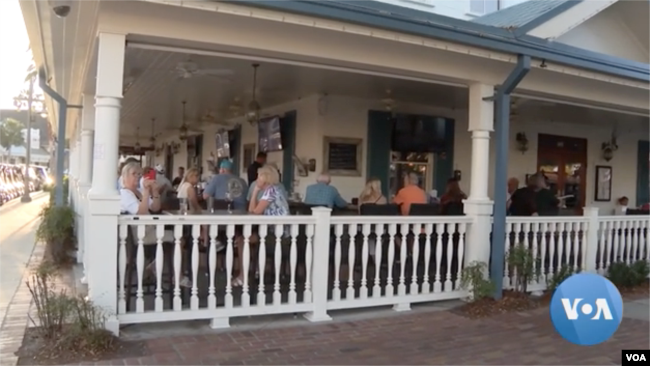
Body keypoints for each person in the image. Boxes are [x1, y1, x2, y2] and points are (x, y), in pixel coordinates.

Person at [233, 165, 289, 286]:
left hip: (278, 236)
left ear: (265, 177)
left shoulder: (272, 190)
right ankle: (252, 270)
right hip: (271, 232)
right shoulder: (269, 190)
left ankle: (244, 276)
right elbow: (252, 210)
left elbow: (256, 212)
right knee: (243, 240)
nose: (257, 178)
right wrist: (256, 191)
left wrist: (256, 192)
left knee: (243, 241)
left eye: (259, 176)